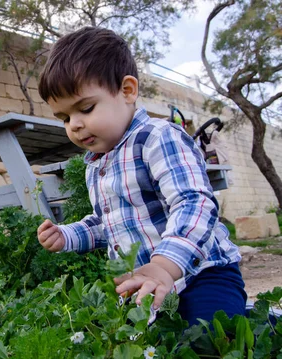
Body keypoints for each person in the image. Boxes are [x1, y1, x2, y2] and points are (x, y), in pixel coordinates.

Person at [35, 27, 246, 326]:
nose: (75, 125)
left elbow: (193, 203)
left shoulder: (157, 138)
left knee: (211, 335)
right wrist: (68, 235)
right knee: (137, 341)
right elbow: (107, 223)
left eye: (86, 108)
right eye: (65, 118)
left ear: (127, 91)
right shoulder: (97, 163)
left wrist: (164, 265)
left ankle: (262, 323)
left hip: (201, 271)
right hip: (145, 283)